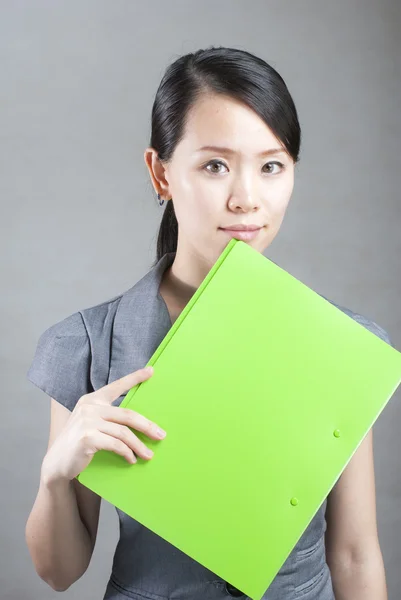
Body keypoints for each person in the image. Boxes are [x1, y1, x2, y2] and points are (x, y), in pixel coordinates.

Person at [25, 46, 391, 600]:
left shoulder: (348, 347)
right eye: (215, 165)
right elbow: (59, 572)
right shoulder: (87, 346)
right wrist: (57, 474)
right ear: (161, 173)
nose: (246, 199)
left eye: (271, 166)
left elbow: (356, 554)